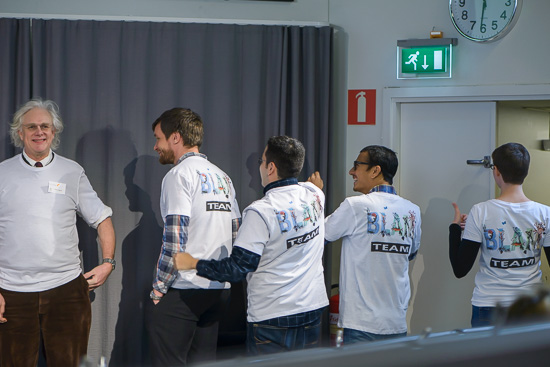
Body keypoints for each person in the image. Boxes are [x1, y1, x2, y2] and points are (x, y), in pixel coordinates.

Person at [174, 136, 328, 356]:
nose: (260, 167)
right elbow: (310, 187)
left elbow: (237, 269)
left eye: (262, 161)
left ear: (271, 167)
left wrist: (193, 263)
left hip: (273, 316)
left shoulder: (260, 212)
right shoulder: (315, 195)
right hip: (312, 309)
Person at [0, 99, 116, 367]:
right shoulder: (3, 173)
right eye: (31, 126)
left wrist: (108, 262)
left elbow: (102, 217)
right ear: (20, 133)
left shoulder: (72, 172)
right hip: (12, 294)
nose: (39, 132)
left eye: (45, 126)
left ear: (54, 132)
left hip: (66, 292)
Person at [148, 107, 241, 366]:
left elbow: (175, 240)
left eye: (158, 138)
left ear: (175, 138)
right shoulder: (223, 177)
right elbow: (236, 231)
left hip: (186, 289)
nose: (156, 146)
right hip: (218, 291)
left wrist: (159, 288)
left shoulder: (178, 175)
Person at [311, 145, 421, 344]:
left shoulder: (356, 206)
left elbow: (315, 236)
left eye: (357, 165)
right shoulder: (412, 211)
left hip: (361, 325)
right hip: (396, 323)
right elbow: (410, 253)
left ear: (375, 170)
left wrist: (314, 195)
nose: (351, 172)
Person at [449, 142, 550, 328]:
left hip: (489, 305)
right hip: (530, 307)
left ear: (496, 171)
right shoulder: (545, 214)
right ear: (525, 172)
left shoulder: (480, 212)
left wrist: (455, 229)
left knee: (490, 358)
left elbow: (460, 269)